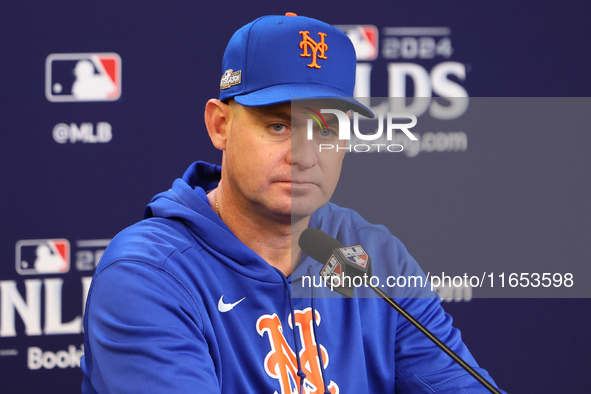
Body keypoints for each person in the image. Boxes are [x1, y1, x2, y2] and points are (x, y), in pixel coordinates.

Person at [81, 13, 504, 393]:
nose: (304, 155)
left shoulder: (374, 257)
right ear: (220, 125)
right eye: (279, 124)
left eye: (325, 130)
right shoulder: (148, 275)